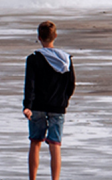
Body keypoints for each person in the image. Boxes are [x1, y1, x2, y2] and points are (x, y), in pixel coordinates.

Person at [23, 21, 74, 180]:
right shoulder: (66, 60)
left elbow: (29, 84)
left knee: (35, 143)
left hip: (37, 106)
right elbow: (71, 84)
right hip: (57, 107)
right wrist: (64, 100)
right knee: (55, 145)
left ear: (39, 37)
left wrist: (27, 105)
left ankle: (32, 178)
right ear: (55, 36)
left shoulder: (33, 59)